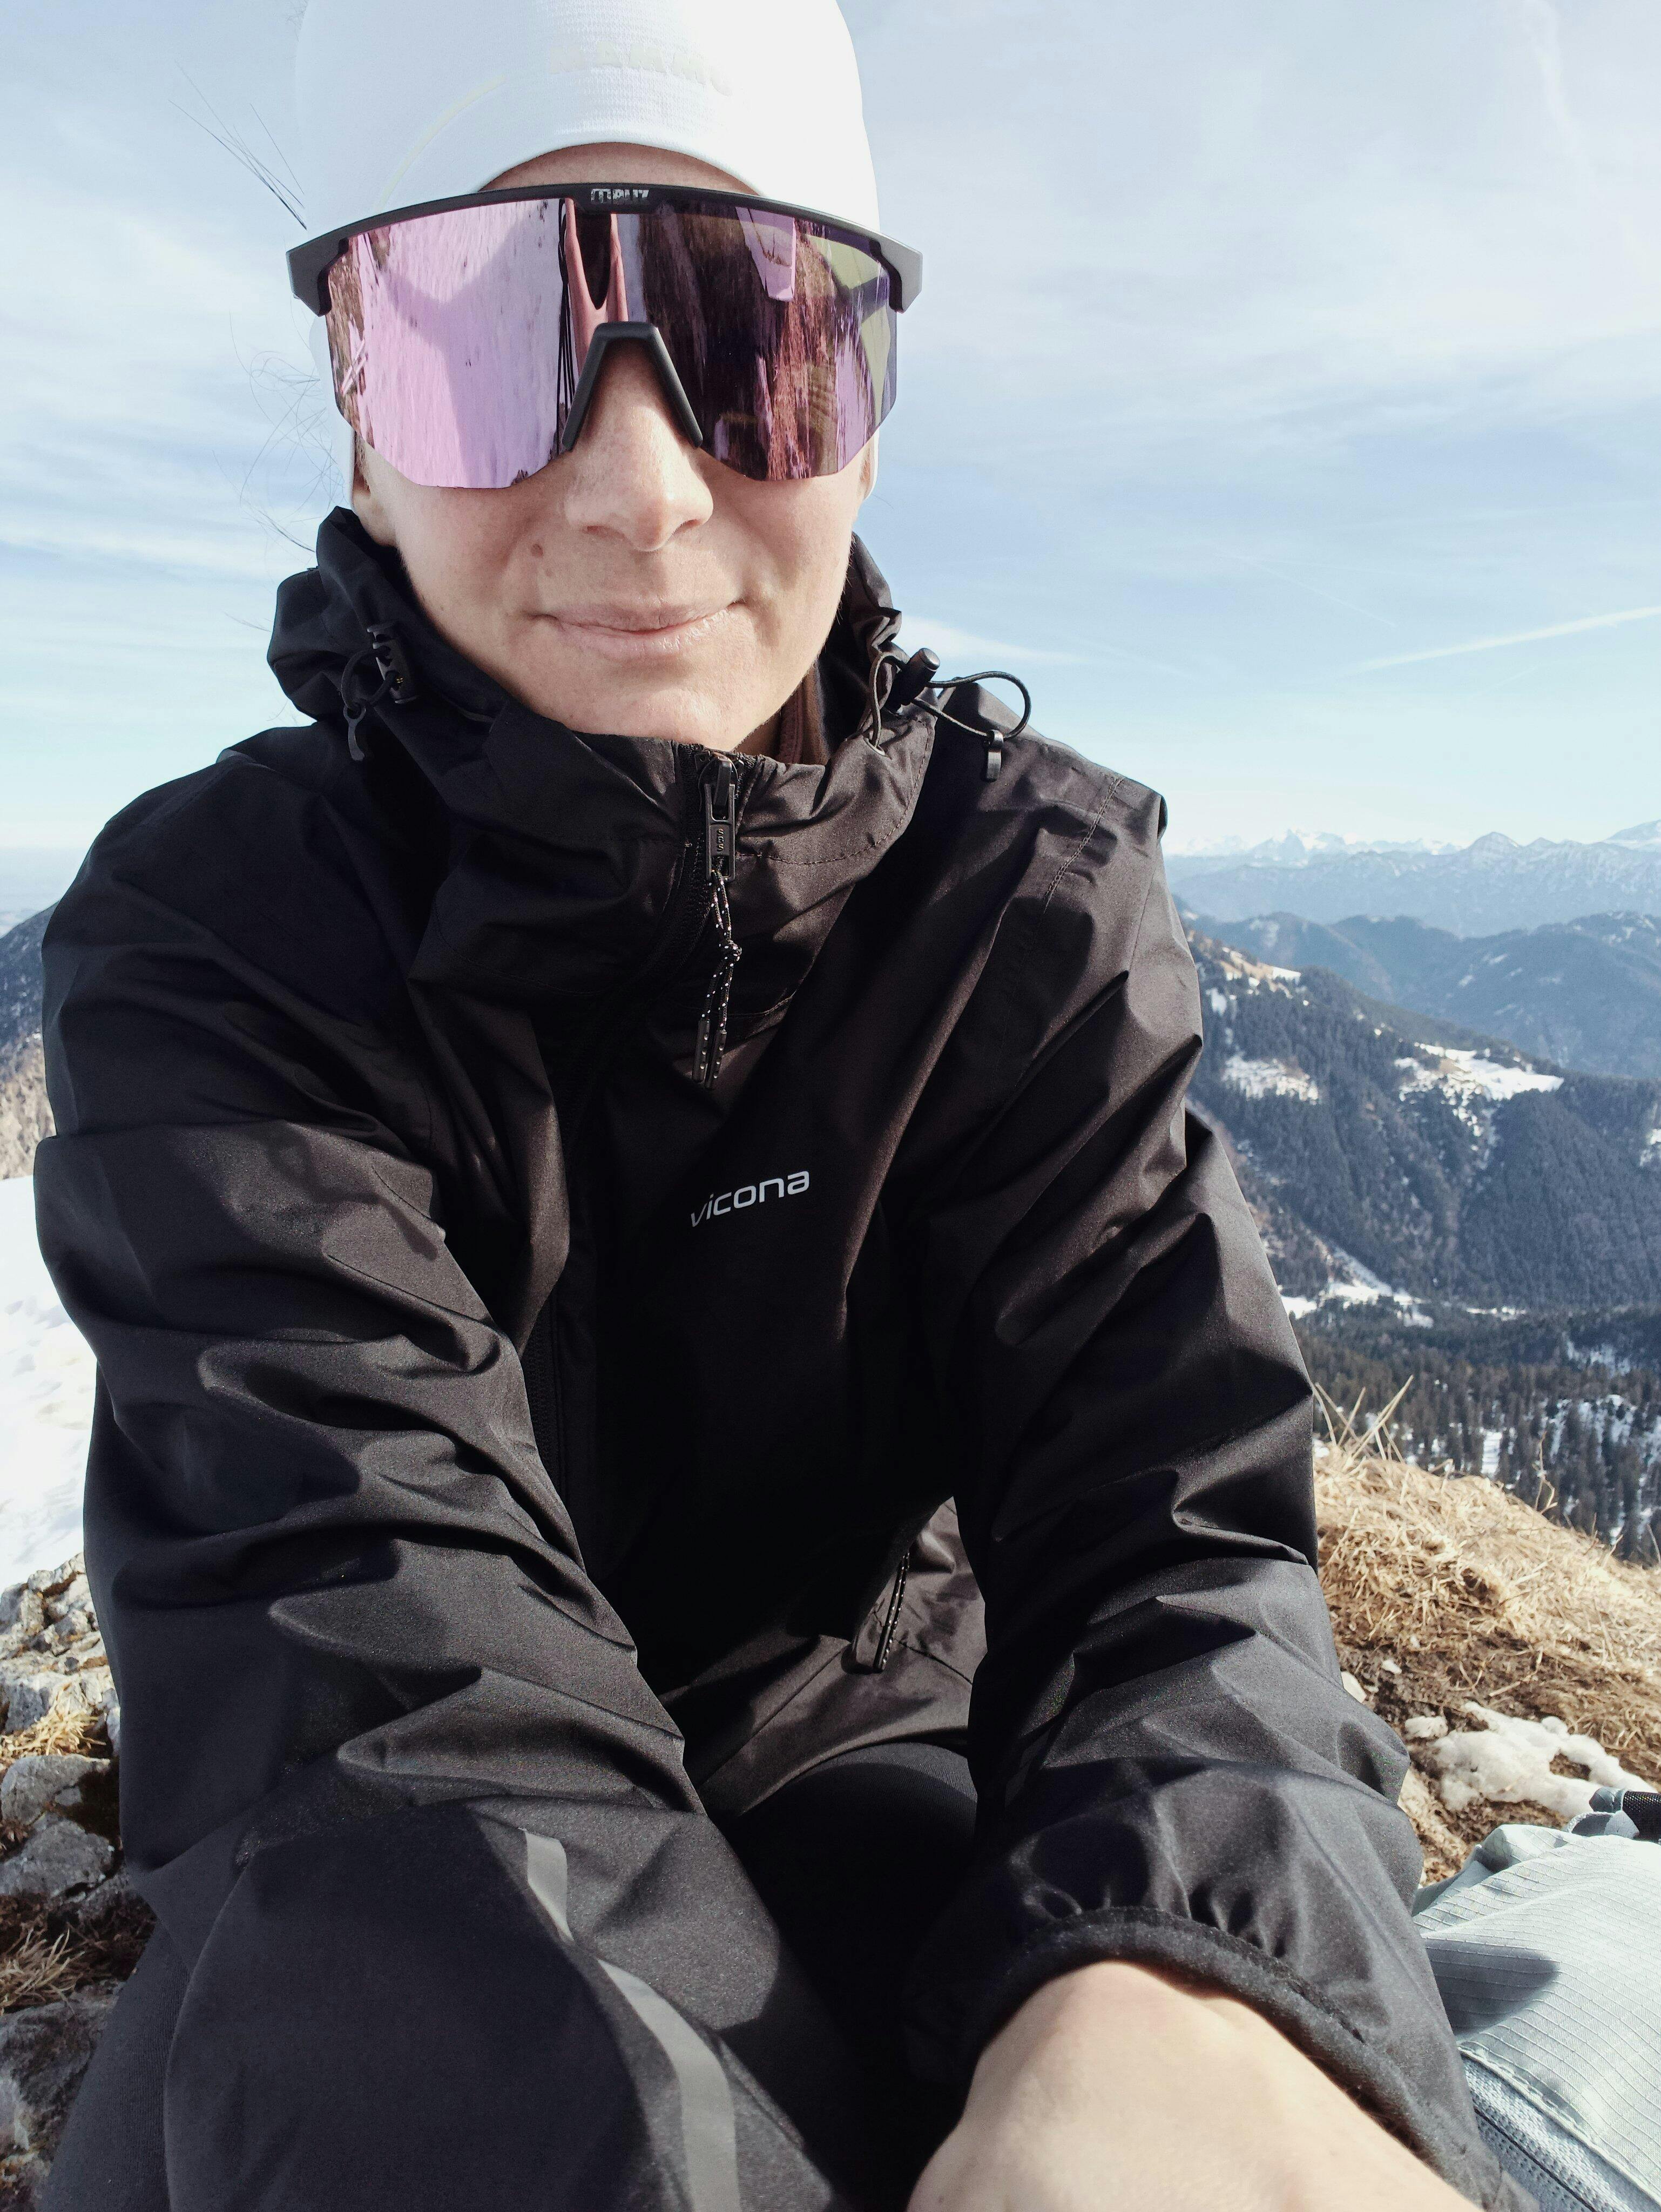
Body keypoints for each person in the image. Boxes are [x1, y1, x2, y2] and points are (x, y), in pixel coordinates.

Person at [35, 3, 1530, 2207]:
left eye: (752, 337)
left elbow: (1169, 1526)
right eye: (481, 338)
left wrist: (1188, 1989)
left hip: (853, 1742)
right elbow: (355, 1640)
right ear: (358, 417)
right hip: (378, 1857)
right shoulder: (226, 943)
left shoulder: (1019, 907)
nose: (641, 486)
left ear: (868, 414)